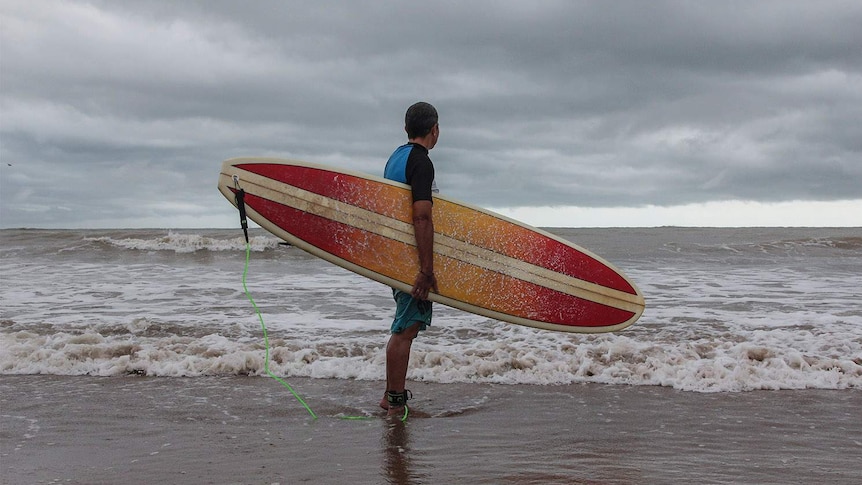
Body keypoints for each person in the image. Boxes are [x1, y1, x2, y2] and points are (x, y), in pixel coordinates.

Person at [379, 102, 440, 417]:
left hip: (394, 256)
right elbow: (421, 217)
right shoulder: (421, 161)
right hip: (410, 260)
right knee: (406, 327)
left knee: (405, 323)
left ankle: (390, 397)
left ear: (406, 129)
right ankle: (395, 405)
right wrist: (426, 270)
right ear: (435, 130)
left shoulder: (396, 157)